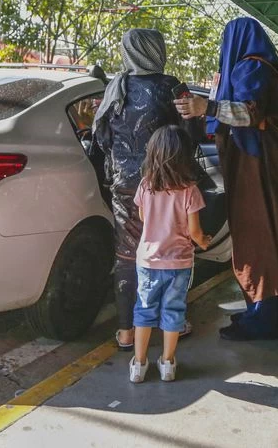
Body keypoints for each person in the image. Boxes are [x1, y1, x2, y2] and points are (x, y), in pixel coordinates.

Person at [174, 17, 278, 341]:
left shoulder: (252, 69)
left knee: (259, 240)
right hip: (267, 170)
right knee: (265, 239)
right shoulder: (265, 70)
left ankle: (263, 320)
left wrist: (206, 107)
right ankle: (263, 312)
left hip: (259, 172)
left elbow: (249, 113)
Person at [93, 29, 185, 352]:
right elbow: (189, 132)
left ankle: (126, 332)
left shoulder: (115, 87)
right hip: (164, 185)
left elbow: (102, 138)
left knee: (127, 253)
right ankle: (171, 321)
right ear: (156, 51)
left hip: (124, 186)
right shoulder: (172, 86)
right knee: (169, 250)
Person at [128, 126, 212, 383]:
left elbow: (143, 217)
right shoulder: (190, 190)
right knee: (173, 311)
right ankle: (167, 363)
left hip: (148, 260)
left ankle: (139, 364)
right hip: (179, 262)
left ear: (152, 153)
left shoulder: (146, 185)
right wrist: (204, 242)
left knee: (144, 309)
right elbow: (194, 230)